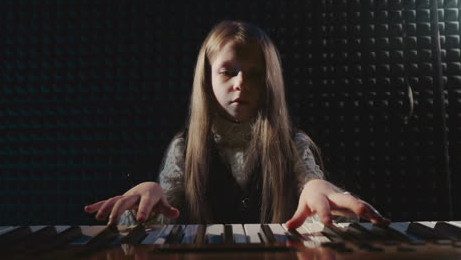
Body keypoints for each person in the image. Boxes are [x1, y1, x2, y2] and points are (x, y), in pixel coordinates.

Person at [84, 20, 389, 229]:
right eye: (228, 72)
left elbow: (313, 191)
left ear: (269, 83)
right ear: (207, 80)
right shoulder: (184, 146)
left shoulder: (292, 144)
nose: (241, 82)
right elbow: (157, 220)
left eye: (254, 74)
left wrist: (319, 189)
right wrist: (149, 200)